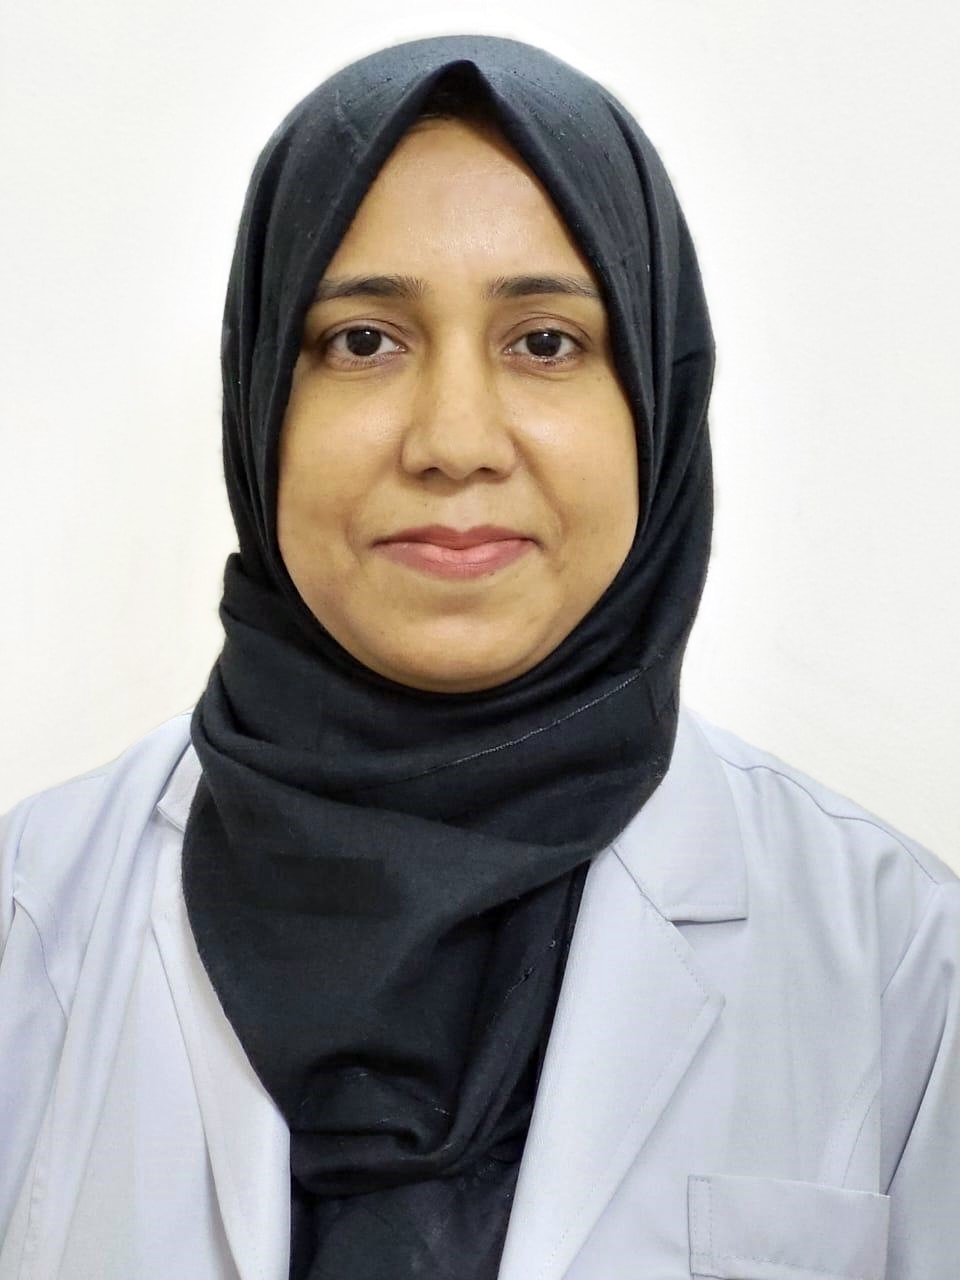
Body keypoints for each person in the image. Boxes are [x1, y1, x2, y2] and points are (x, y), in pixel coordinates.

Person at [1, 34, 957, 1280]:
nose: (455, 440)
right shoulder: (28, 918)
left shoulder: (898, 958)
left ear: (655, 403)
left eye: (546, 342)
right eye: (363, 340)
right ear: (262, 399)